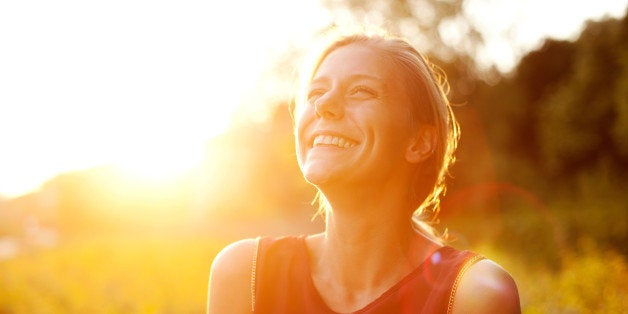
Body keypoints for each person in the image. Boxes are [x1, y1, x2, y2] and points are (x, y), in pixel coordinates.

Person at [207, 28, 520, 313]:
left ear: (419, 142)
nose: (323, 104)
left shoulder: (474, 294)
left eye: (361, 91)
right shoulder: (244, 275)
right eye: (315, 93)